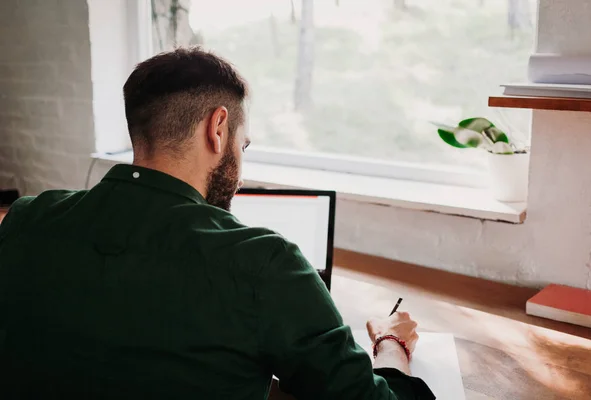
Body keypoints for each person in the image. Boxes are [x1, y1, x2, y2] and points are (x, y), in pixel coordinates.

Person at [0, 47, 434, 399]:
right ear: (218, 128)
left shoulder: (26, 219)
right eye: (244, 146)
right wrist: (390, 345)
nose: (241, 166)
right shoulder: (263, 260)